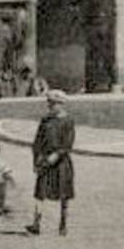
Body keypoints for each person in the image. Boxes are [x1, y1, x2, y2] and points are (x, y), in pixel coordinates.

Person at [28, 89, 75, 237]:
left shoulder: (68, 121)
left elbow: (68, 144)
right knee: (40, 192)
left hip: (61, 162)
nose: (50, 106)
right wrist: (36, 159)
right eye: (49, 103)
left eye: (54, 104)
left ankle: (63, 224)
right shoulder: (45, 120)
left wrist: (57, 155)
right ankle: (36, 223)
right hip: (45, 160)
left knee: (63, 194)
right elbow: (37, 141)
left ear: (61, 104)